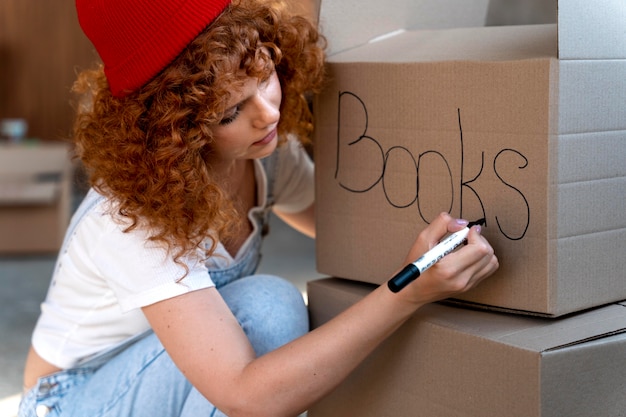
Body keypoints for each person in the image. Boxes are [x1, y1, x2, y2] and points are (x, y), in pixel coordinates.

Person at [19, 0, 499, 416]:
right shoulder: (133, 215)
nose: (267, 113)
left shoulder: (264, 154)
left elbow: (348, 233)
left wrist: (436, 251)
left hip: (168, 381)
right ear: (175, 131)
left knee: (274, 317)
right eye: (230, 111)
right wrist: (409, 292)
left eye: (264, 74)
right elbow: (246, 396)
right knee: (268, 308)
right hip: (72, 400)